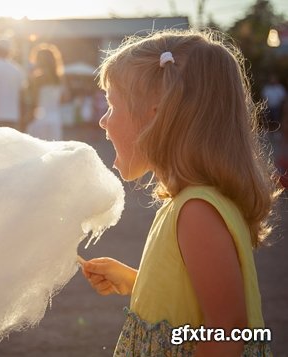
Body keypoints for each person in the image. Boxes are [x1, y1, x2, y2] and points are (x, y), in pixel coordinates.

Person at [80, 29, 280, 356]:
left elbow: (228, 333)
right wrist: (135, 281)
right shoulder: (189, 204)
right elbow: (190, 299)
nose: (103, 121)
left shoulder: (197, 211)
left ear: (155, 117)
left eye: (111, 106)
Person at [26, 43, 68, 141]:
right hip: (55, 119)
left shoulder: (37, 79)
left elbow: (33, 101)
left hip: (38, 119)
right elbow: (66, 98)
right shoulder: (59, 79)